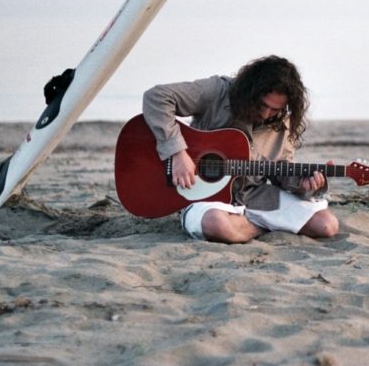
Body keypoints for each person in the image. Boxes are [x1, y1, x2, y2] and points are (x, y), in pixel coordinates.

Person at [142, 55, 340, 244]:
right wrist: (177, 153)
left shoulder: (284, 124)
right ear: (251, 90)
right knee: (218, 224)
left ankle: (247, 227)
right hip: (203, 195)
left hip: (254, 195)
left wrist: (303, 184)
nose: (265, 114)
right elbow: (156, 97)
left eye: (275, 110)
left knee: (326, 226)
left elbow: (281, 171)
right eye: (262, 105)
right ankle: (266, 225)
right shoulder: (217, 91)